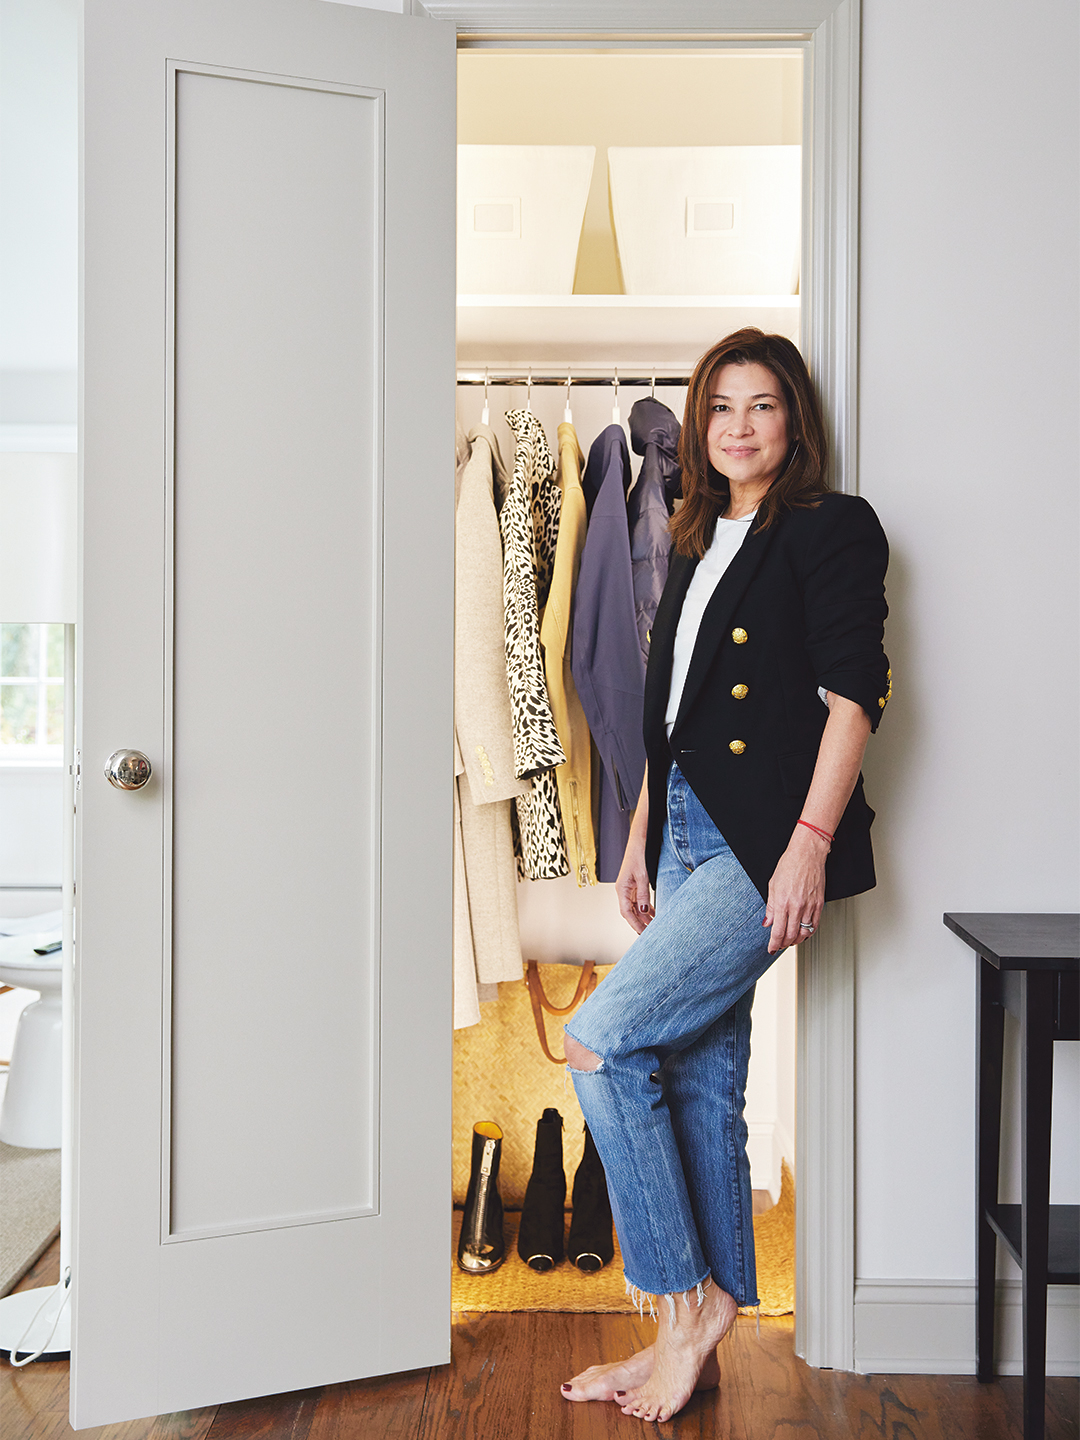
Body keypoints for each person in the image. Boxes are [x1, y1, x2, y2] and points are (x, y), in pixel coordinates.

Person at [559, 328, 890, 1424]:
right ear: (699, 426)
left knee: (601, 1040)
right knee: (699, 1076)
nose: (739, 426)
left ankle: (686, 1296)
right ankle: (677, 1346)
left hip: (764, 839)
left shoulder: (831, 529)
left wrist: (807, 840)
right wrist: (644, 830)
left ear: (793, 420)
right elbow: (675, 713)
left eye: (761, 406)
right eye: (720, 408)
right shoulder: (696, 533)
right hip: (689, 830)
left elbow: (853, 698)